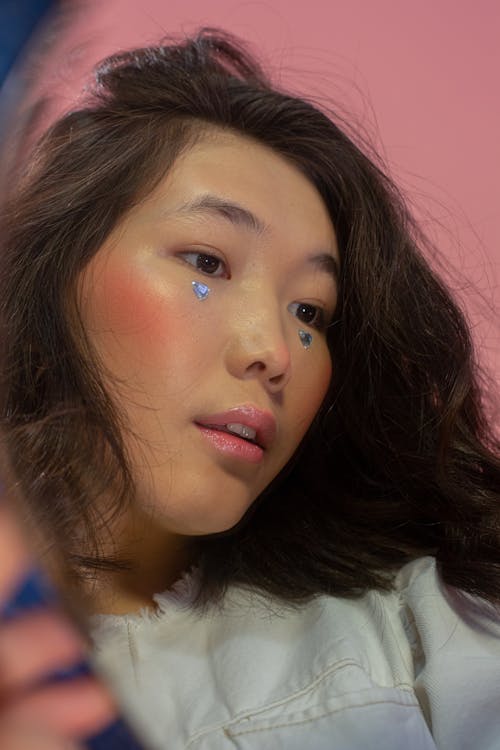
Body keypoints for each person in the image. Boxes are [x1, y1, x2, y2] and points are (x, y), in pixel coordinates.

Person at [0, 28, 499, 749]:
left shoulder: (426, 632)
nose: (273, 352)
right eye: (207, 260)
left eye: (311, 313)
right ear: (51, 272)